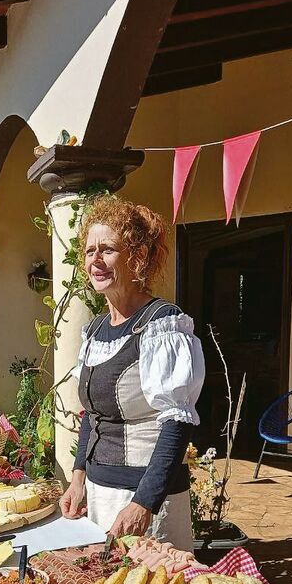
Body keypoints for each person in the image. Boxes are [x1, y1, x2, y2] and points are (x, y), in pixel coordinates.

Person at [59, 195, 205, 551]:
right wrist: (78, 479)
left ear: (137, 257)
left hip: (149, 500)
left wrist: (144, 503)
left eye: (107, 249)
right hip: (100, 492)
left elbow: (177, 421)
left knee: (155, 583)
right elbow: (91, 415)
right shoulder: (95, 331)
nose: (95, 259)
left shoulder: (162, 325)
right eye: (90, 251)